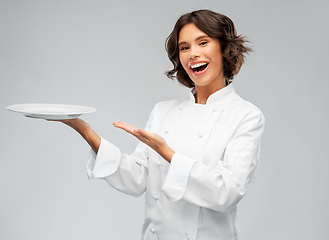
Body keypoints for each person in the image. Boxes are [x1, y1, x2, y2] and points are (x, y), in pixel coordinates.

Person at [56, 9, 265, 240]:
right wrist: (84, 130)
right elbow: (137, 179)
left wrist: (166, 152)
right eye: (184, 47)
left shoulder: (245, 116)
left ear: (224, 48)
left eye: (202, 42)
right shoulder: (163, 111)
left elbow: (226, 193)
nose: (192, 54)